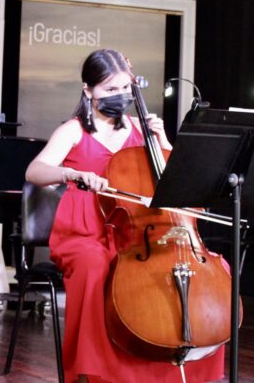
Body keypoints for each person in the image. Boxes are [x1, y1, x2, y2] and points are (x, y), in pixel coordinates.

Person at [25, 49, 224, 382]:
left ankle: (170, 364)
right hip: (84, 231)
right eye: (109, 89)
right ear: (88, 90)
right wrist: (71, 174)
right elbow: (35, 171)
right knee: (94, 266)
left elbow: (175, 182)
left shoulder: (139, 129)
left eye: (124, 88)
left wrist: (162, 140)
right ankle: (93, 372)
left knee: (183, 271)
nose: (119, 96)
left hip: (131, 231)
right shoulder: (74, 130)